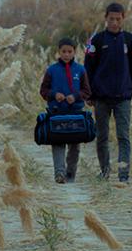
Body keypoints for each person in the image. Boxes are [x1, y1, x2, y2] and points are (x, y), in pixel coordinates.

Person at [84, 2, 132, 183]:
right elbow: (88, 69)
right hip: (101, 97)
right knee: (102, 137)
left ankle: (123, 175)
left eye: (118, 19)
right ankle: (104, 172)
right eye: (111, 19)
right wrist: (88, 94)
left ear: (123, 18)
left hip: (123, 97)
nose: (114, 23)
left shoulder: (131, 41)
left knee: (123, 137)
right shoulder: (96, 41)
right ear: (106, 18)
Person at [39, 37, 92, 184]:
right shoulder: (52, 70)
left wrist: (75, 97)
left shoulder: (80, 70)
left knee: (74, 145)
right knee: (58, 142)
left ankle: (70, 174)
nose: (66, 54)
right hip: (56, 112)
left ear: (75, 52)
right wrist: (54, 95)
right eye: (63, 51)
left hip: (76, 113)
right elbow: (43, 90)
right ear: (59, 52)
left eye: (70, 51)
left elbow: (87, 91)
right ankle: (59, 173)